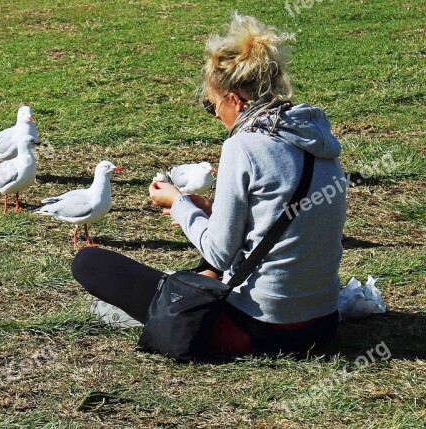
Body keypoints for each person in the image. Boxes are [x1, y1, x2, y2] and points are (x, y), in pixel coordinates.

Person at [72, 13, 346, 356]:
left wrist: (179, 205)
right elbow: (282, 220)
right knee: (207, 263)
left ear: (234, 99)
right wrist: (212, 211)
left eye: (211, 105)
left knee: (89, 263)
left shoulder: (243, 146)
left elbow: (219, 251)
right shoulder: (316, 136)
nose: (215, 115)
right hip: (322, 326)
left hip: (261, 330)